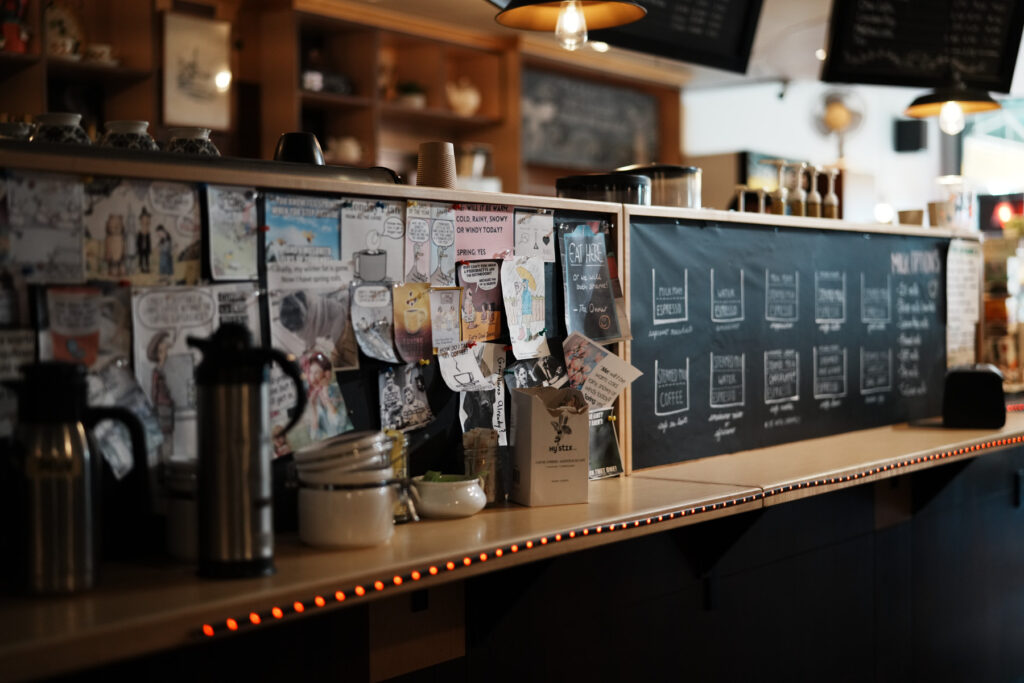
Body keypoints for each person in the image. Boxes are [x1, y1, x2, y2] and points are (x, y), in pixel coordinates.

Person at [304, 352, 348, 441]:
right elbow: (315, 436)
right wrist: (313, 408)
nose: (312, 378)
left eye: (316, 373)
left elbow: (340, 423)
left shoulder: (338, 390)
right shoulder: (313, 400)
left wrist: (327, 398)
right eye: (311, 372)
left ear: (326, 374)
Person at [147, 330, 174, 460]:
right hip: (162, 409)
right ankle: (164, 461)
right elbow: (154, 392)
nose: (165, 354)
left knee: (167, 438)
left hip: (166, 408)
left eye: (165, 351)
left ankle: (165, 460)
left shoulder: (163, 371)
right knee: (165, 439)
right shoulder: (157, 372)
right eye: (162, 351)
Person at [137, 207, 152, 273]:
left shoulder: (148, 233)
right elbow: (138, 242)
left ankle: (147, 268)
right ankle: (142, 268)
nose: (145, 222)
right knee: (141, 258)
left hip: (146, 249)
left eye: (147, 220)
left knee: (146, 258)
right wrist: (138, 248)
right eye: (143, 220)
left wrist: (149, 249)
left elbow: (149, 242)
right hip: (141, 249)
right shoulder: (140, 233)